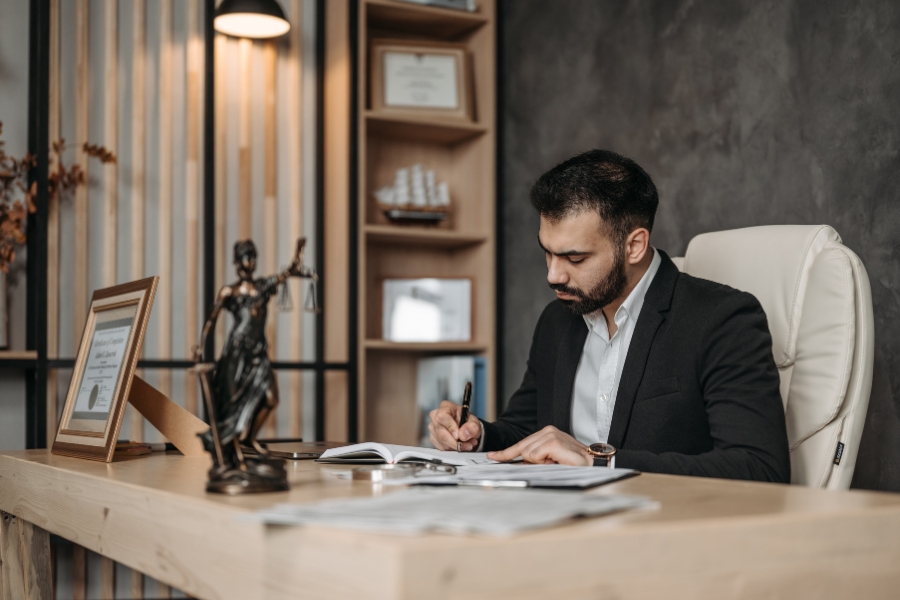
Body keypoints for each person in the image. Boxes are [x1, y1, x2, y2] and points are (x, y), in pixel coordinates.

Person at [429, 150, 791, 482]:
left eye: (575, 259)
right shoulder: (558, 320)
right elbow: (526, 428)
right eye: (548, 253)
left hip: (663, 532)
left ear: (634, 245)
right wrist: (477, 436)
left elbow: (759, 468)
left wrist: (598, 463)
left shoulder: (723, 320)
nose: (553, 275)